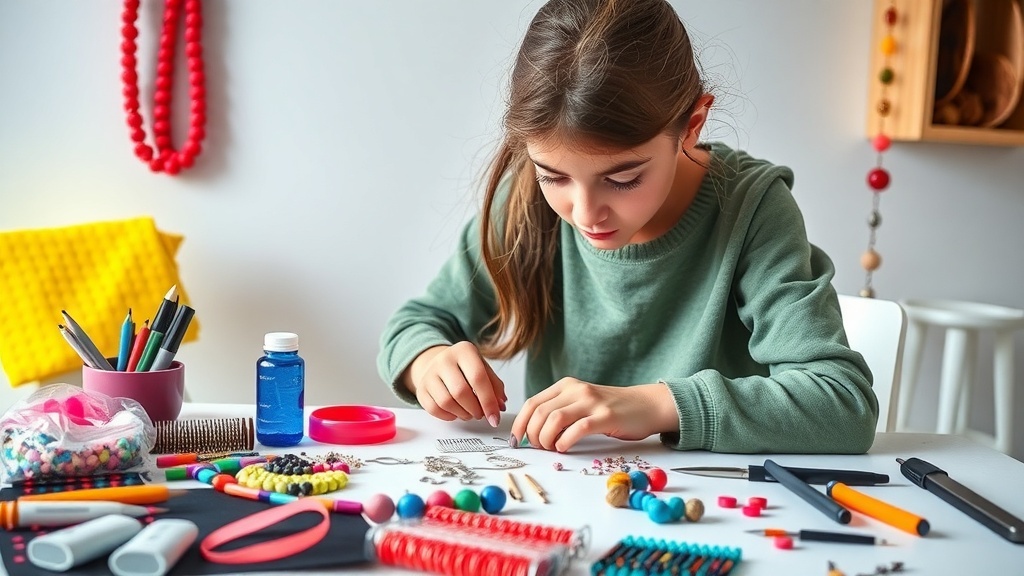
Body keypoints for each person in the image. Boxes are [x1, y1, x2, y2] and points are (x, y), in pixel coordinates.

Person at [377, 0, 876, 454]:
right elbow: (412, 327)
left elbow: (842, 403)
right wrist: (429, 361)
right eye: (554, 176)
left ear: (693, 124)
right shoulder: (527, 200)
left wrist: (659, 405)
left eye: (623, 179)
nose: (585, 212)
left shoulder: (752, 209)